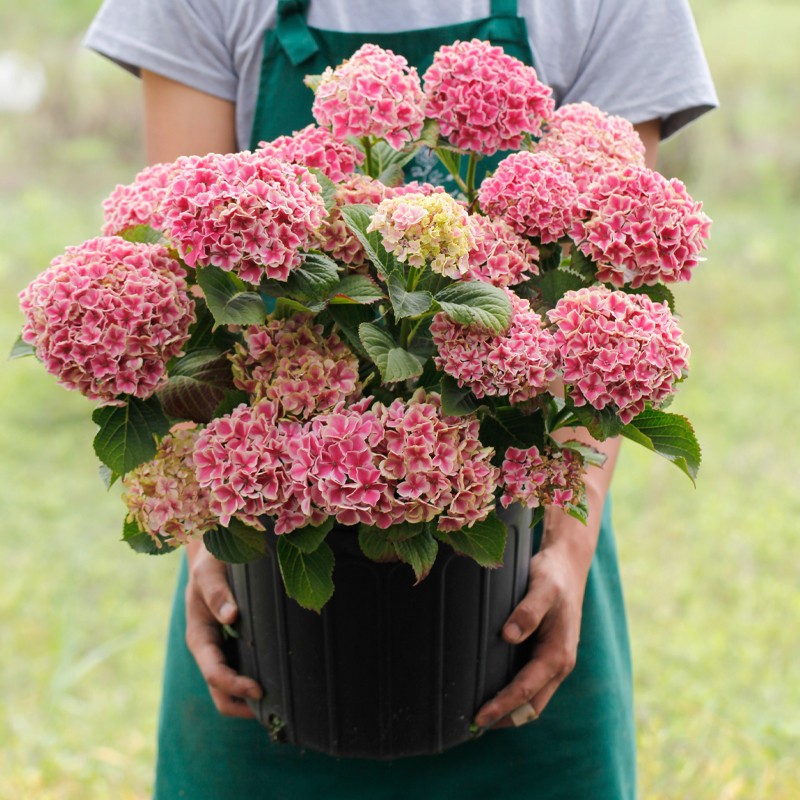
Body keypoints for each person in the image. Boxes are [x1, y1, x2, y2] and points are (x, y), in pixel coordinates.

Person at [85, 1, 717, 797]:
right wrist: (212, 543)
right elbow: (186, 275)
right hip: (269, 580)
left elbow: (604, 284)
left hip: (522, 571)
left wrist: (567, 544)